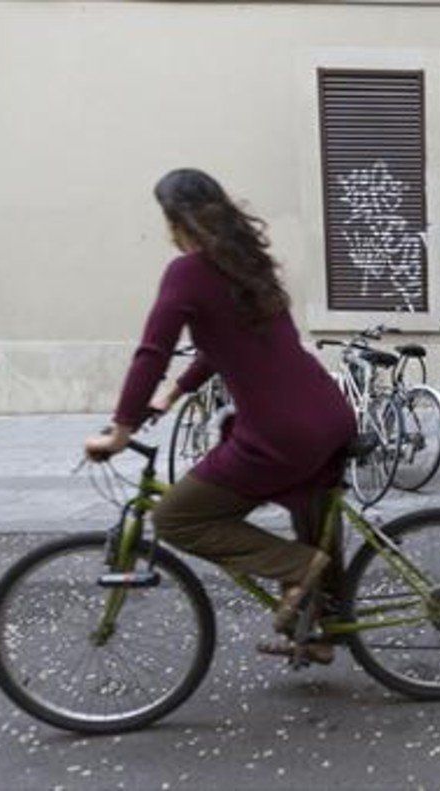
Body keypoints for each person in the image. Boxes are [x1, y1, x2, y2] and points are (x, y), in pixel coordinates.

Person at [84, 168, 356, 663]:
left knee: (176, 517)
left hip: (280, 432)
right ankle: (320, 631)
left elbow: (152, 351)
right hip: (327, 412)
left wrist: (120, 431)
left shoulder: (187, 272)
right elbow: (222, 345)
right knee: (314, 517)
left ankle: (299, 568)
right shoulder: (248, 266)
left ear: (174, 220)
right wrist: (173, 394)